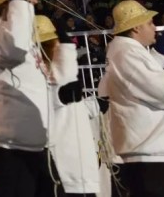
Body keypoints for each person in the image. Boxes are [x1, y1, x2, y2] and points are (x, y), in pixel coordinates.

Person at [98, 0, 164, 196]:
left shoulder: (128, 52)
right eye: (150, 23)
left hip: (161, 151)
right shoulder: (127, 53)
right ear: (137, 28)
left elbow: (142, 83)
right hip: (151, 155)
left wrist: (158, 54)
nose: (154, 27)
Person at [0, 0, 72, 196]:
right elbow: (14, 51)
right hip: (10, 145)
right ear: (10, 1)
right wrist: (18, 7)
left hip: (30, 142)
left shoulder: (15, 34)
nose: (35, 1)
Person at [35, 15, 101, 197]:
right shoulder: (34, 74)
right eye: (53, 42)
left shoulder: (57, 72)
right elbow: (43, 106)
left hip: (76, 157)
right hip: (57, 159)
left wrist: (96, 104)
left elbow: (72, 110)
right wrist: (60, 97)